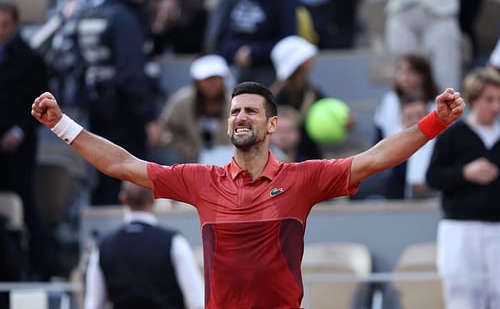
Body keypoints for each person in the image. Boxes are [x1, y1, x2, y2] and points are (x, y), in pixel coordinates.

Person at [32, 81, 464, 308]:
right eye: (234, 110)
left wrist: (434, 122)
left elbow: (375, 159)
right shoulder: (199, 180)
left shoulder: (303, 178)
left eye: (251, 110)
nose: (240, 116)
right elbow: (122, 165)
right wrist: (61, 124)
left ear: (272, 125)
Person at [426, 68, 500, 309]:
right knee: (462, 298)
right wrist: (465, 173)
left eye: (499, 99)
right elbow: (433, 177)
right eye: (489, 99)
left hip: (496, 227)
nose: (495, 106)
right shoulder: (453, 134)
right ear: (474, 99)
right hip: (460, 228)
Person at [76, 0, 158, 205]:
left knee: (103, 171)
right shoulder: (123, 18)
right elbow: (130, 75)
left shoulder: (89, 13)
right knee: (127, 172)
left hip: (96, 104)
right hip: (124, 110)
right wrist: (148, 116)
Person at [84, 181, 204, 309]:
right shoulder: (174, 242)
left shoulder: (103, 246)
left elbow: (93, 304)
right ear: (154, 199)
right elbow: (197, 300)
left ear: (122, 199)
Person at [0, 0, 51, 279]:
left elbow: (39, 103)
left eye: (5, 25)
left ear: (16, 25)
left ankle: (38, 270)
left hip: (19, 146)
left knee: (26, 204)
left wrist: (18, 131)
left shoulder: (31, 60)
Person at [271, 35, 355, 159]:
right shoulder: (278, 94)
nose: (311, 61)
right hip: (284, 158)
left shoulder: (310, 90)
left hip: (309, 156)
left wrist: (346, 121)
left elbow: (327, 108)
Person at [148, 55, 232, 163]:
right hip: (192, 164)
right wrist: (187, 150)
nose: (212, 83)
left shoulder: (236, 102)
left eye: (216, 78)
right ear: (196, 81)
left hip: (229, 162)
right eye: (207, 79)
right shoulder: (181, 101)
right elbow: (167, 128)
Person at [385, 0, 461, 91]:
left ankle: (447, 104)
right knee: (403, 75)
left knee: (445, 77)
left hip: (441, 11)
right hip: (400, 9)